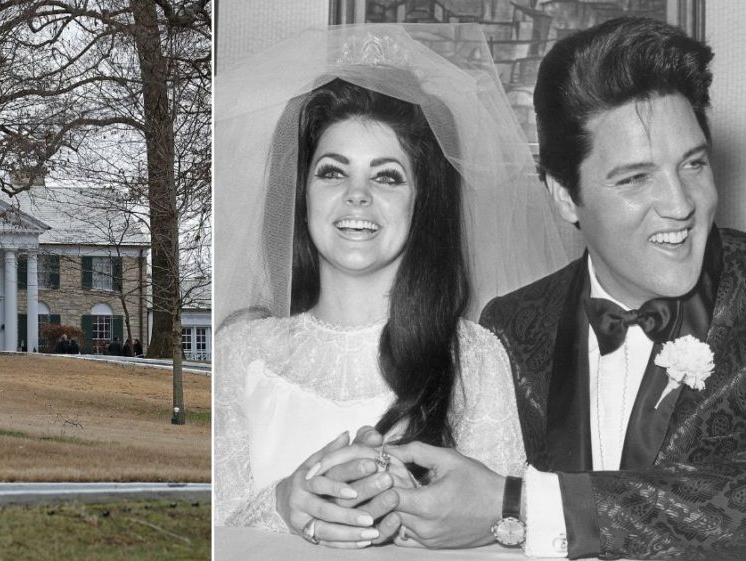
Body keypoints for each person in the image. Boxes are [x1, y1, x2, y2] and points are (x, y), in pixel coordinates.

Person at [367, 17, 746, 559]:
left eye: (694, 164)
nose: (681, 204)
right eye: (635, 177)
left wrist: (521, 504)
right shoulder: (508, 329)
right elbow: (460, 500)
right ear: (565, 196)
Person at [213, 24, 568, 548]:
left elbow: (506, 532)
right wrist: (284, 503)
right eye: (333, 172)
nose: (357, 196)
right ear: (302, 192)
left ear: (421, 203)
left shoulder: (474, 358)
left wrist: (420, 523)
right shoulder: (239, 351)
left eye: (387, 176)